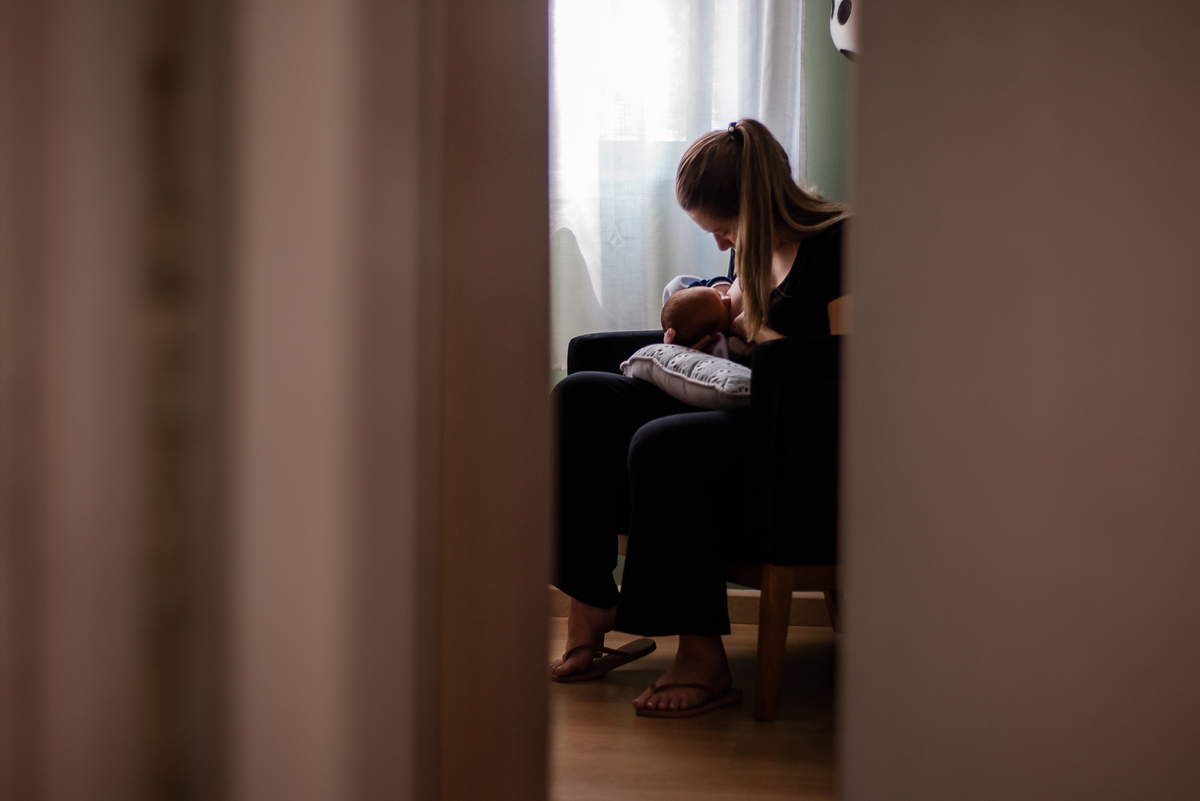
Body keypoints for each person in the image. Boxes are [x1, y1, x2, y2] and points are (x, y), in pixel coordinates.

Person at [550, 118, 850, 716]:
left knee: (664, 445)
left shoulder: (839, 242)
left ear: (755, 204)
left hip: (793, 435)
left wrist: (749, 326)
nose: (721, 246)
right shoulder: (752, 248)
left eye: (723, 228)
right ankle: (591, 600)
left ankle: (702, 657)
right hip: (736, 400)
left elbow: (850, 358)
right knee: (580, 397)